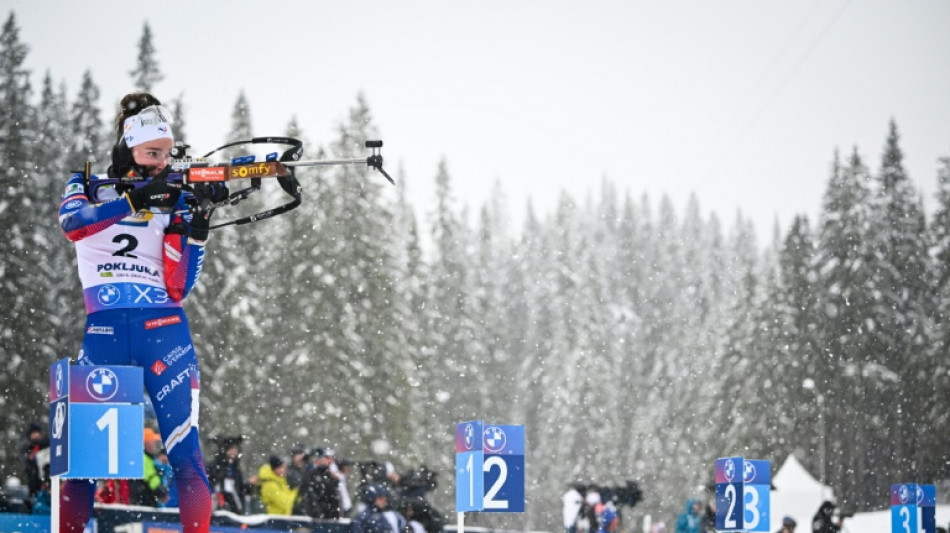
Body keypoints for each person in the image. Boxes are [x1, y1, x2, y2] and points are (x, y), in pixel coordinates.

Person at [58, 92, 223, 533]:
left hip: (164, 332)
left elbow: (178, 285)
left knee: (186, 458)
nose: (160, 163)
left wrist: (198, 223)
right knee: (83, 466)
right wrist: (136, 200)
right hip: (106, 332)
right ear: (126, 147)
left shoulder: (174, 196)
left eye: (166, 154)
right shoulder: (88, 185)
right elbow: (74, 224)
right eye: (152, 153)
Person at [207, 436, 251, 514]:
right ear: (225, 450)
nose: (234, 451)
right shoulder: (215, 466)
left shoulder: (236, 470)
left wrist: (249, 486)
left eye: (236, 449)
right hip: (216, 508)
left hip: (234, 509)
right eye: (231, 449)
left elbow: (240, 489)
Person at [294, 448, 342, 519]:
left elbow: (334, 497)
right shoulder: (313, 475)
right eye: (327, 458)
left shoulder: (329, 474)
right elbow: (314, 495)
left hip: (328, 516)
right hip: (316, 516)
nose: (330, 461)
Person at [129, 427, 169, 507]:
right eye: (152, 441)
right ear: (146, 443)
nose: (154, 444)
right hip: (144, 502)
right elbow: (152, 479)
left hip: (144, 501)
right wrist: (162, 493)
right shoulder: (143, 458)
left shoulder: (148, 458)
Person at [18, 422, 48, 509]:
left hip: (44, 480)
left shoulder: (45, 444)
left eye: (38, 432)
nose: (36, 435)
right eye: (34, 433)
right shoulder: (27, 447)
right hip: (34, 480)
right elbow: (27, 463)